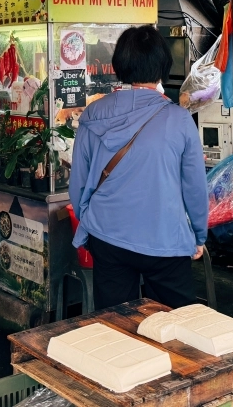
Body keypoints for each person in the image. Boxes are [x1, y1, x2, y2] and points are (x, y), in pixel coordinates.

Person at [69, 25, 208, 310]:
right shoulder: (179, 119)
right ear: (162, 67)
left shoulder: (94, 113)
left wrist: (90, 223)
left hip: (106, 235)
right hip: (165, 239)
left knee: (116, 325)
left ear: (120, 65)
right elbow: (194, 186)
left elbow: (79, 182)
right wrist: (199, 234)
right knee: (178, 325)